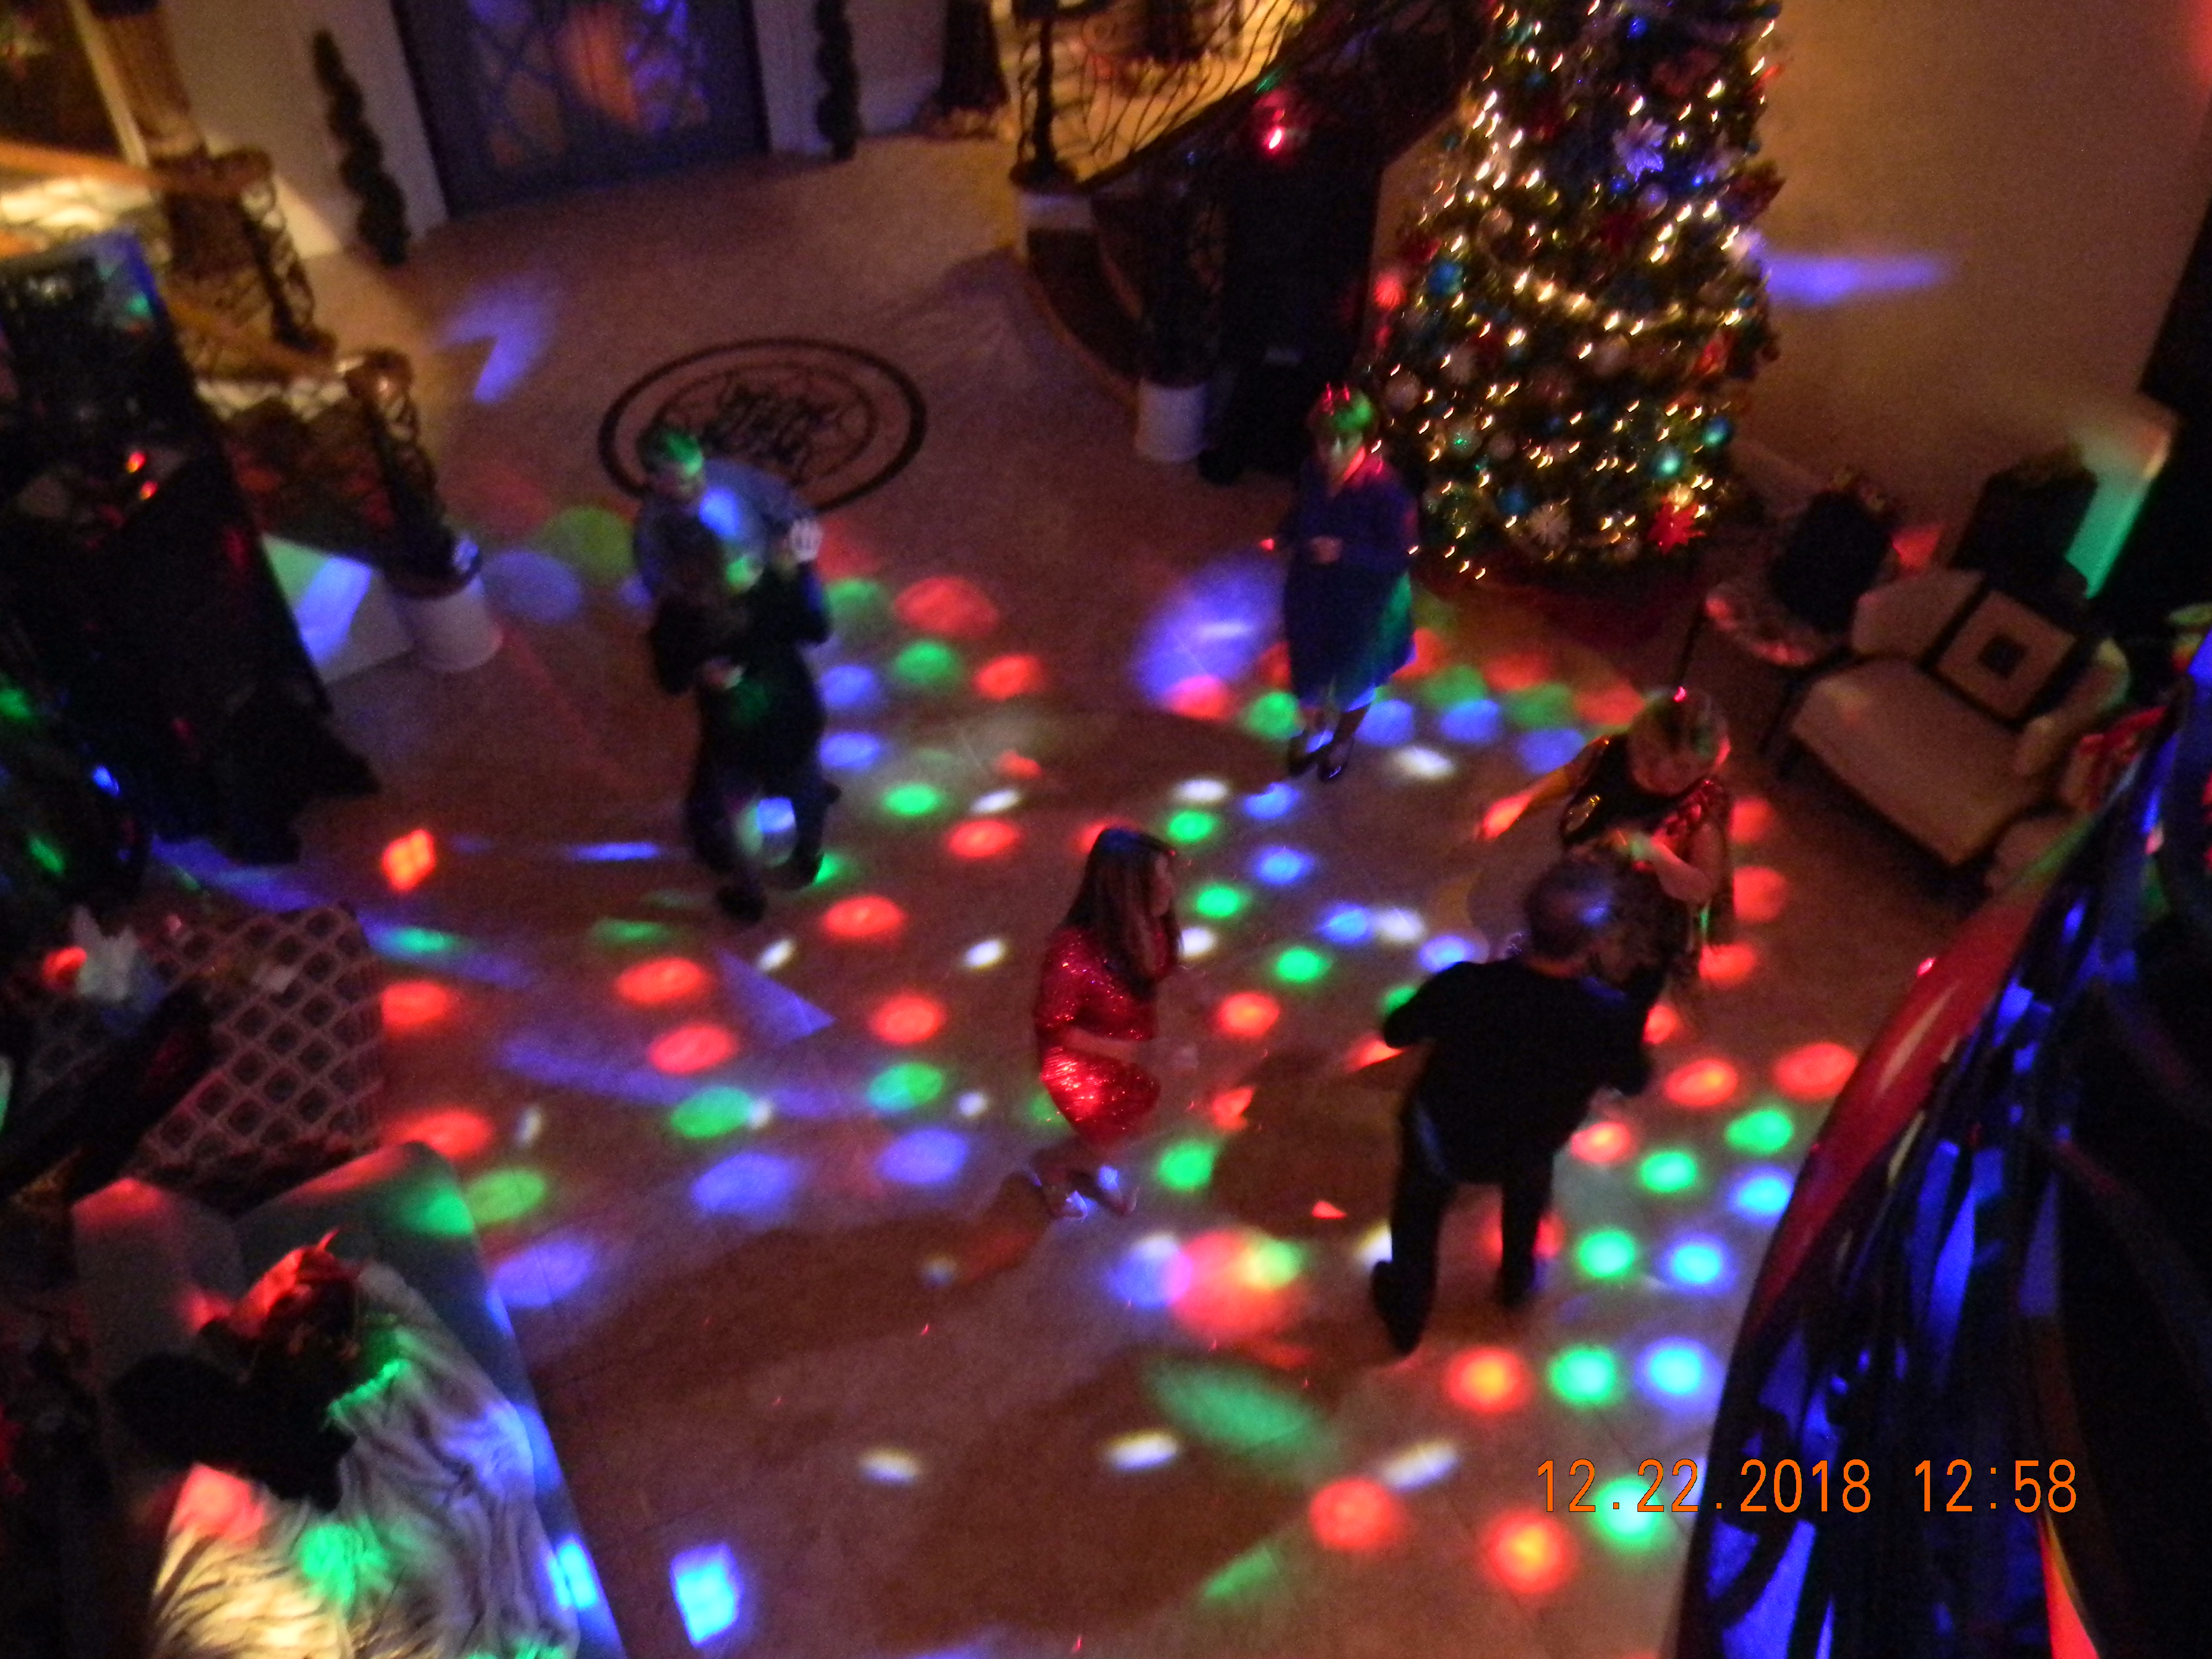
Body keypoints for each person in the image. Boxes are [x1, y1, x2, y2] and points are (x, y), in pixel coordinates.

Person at [1369, 859, 1651, 1352]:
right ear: (1595, 942)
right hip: (1531, 1142)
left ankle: (1408, 1308)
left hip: (1444, 1136)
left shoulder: (1466, 985)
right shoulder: (1608, 1015)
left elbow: (1397, 1030)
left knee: (1418, 1209)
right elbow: (1633, 1079)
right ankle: (1516, 1281)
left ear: (1527, 921)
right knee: (1527, 1191)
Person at [1481, 687, 1735, 1014]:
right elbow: (1571, 776)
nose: (1662, 775)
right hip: (1585, 877)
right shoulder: (1609, 751)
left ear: (1705, 767)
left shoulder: (1701, 808)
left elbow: (1702, 886)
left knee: (1605, 999)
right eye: (1651, 758)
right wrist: (1521, 802)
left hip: (1638, 923)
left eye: (1683, 769)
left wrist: (1653, 854)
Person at [647, 503, 835, 926]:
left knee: (739, 813)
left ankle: (750, 896)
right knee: (805, 789)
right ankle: (807, 859)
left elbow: (670, 680)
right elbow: (816, 628)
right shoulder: (764, 587)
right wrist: (804, 569)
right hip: (791, 718)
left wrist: (701, 672)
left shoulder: (676, 620)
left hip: (732, 733)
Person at [1030, 828, 1182, 1219]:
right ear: (1123, 893)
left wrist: (1197, 993)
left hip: (1127, 1053)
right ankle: (1054, 1165)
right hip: (1083, 1071)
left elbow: (1160, 969)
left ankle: (1091, 1161)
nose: (1170, 889)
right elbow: (1054, 1027)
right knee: (1108, 1141)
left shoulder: (1152, 923)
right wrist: (1136, 1052)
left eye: (1169, 874)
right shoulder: (1074, 954)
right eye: (1156, 880)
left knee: (1132, 1127)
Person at [1276, 387, 1420, 782]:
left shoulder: (1387, 493)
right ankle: (1312, 727)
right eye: (1325, 440)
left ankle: (1342, 740)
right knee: (1309, 666)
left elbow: (1401, 556)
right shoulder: (1311, 472)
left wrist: (1345, 553)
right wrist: (1286, 534)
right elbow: (1301, 511)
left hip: (1365, 608)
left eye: (1345, 440)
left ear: (1364, 440)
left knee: (1355, 682)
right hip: (1314, 592)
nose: (1333, 451)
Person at [631, 425, 823, 603]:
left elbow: (785, 502)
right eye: (685, 481)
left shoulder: (723, 472)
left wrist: (799, 535)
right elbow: (665, 594)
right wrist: (722, 589)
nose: (701, 484)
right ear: (656, 481)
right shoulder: (653, 530)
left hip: (777, 568)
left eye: (700, 470)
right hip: (734, 609)